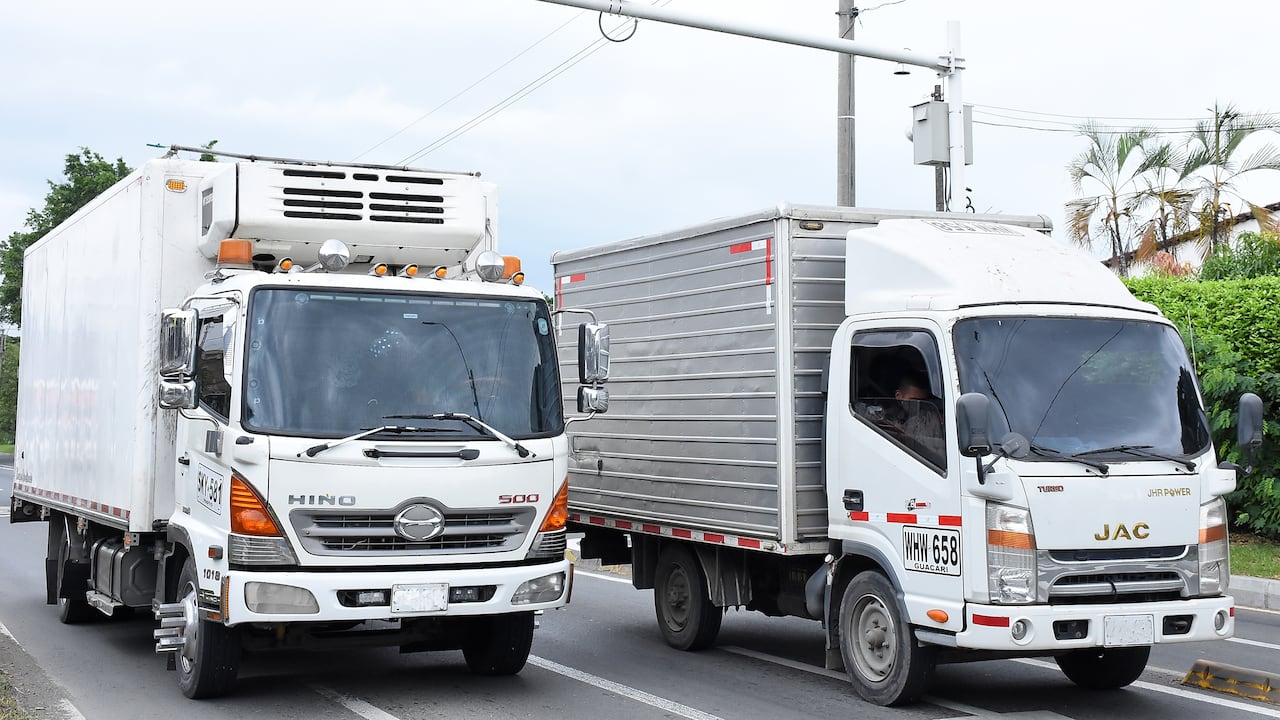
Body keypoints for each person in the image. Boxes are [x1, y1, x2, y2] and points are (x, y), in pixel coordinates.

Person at [893, 370, 945, 464]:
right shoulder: (889, 415)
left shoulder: (930, 419)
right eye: (914, 401)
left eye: (923, 402)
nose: (919, 406)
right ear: (899, 396)